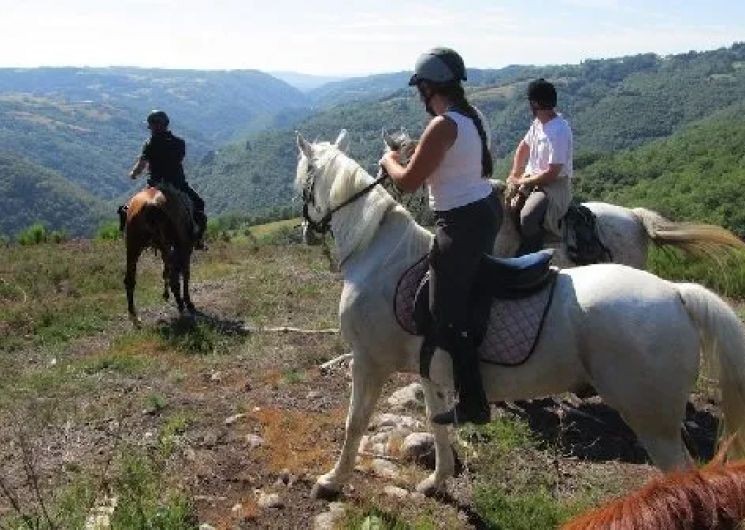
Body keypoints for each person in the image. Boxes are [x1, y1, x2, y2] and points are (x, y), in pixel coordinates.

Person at [379, 47, 502, 425]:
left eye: (421, 88)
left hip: (460, 222)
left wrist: (389, 161)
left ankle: (474, 400)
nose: (420, 95)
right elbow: (457, 162)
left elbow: (409, 182)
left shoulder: (443, 124)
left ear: (429, 87)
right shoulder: (471, 116)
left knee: (443, 312)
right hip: (483, 210)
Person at [507, 79, 573, 256]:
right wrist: (515, 173)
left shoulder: (559, 130)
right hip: (531, 179)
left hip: (553, 186)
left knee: (528, 217)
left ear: (534, 103)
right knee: (507, 207)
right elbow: (523, 147)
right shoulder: (538, 124)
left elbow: (552, 173)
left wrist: (522, 181)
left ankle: (533, 257)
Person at [129, 110, 207, 247]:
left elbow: (141, 165)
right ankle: (197, 239)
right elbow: (178, 160)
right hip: (178, 185)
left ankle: (129, 234)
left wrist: (133, 174)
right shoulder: (179, 143)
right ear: (166, 124)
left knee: (128, 209)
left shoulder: (149, 144)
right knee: (199, 204)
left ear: (151, 127)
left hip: (155, 185)